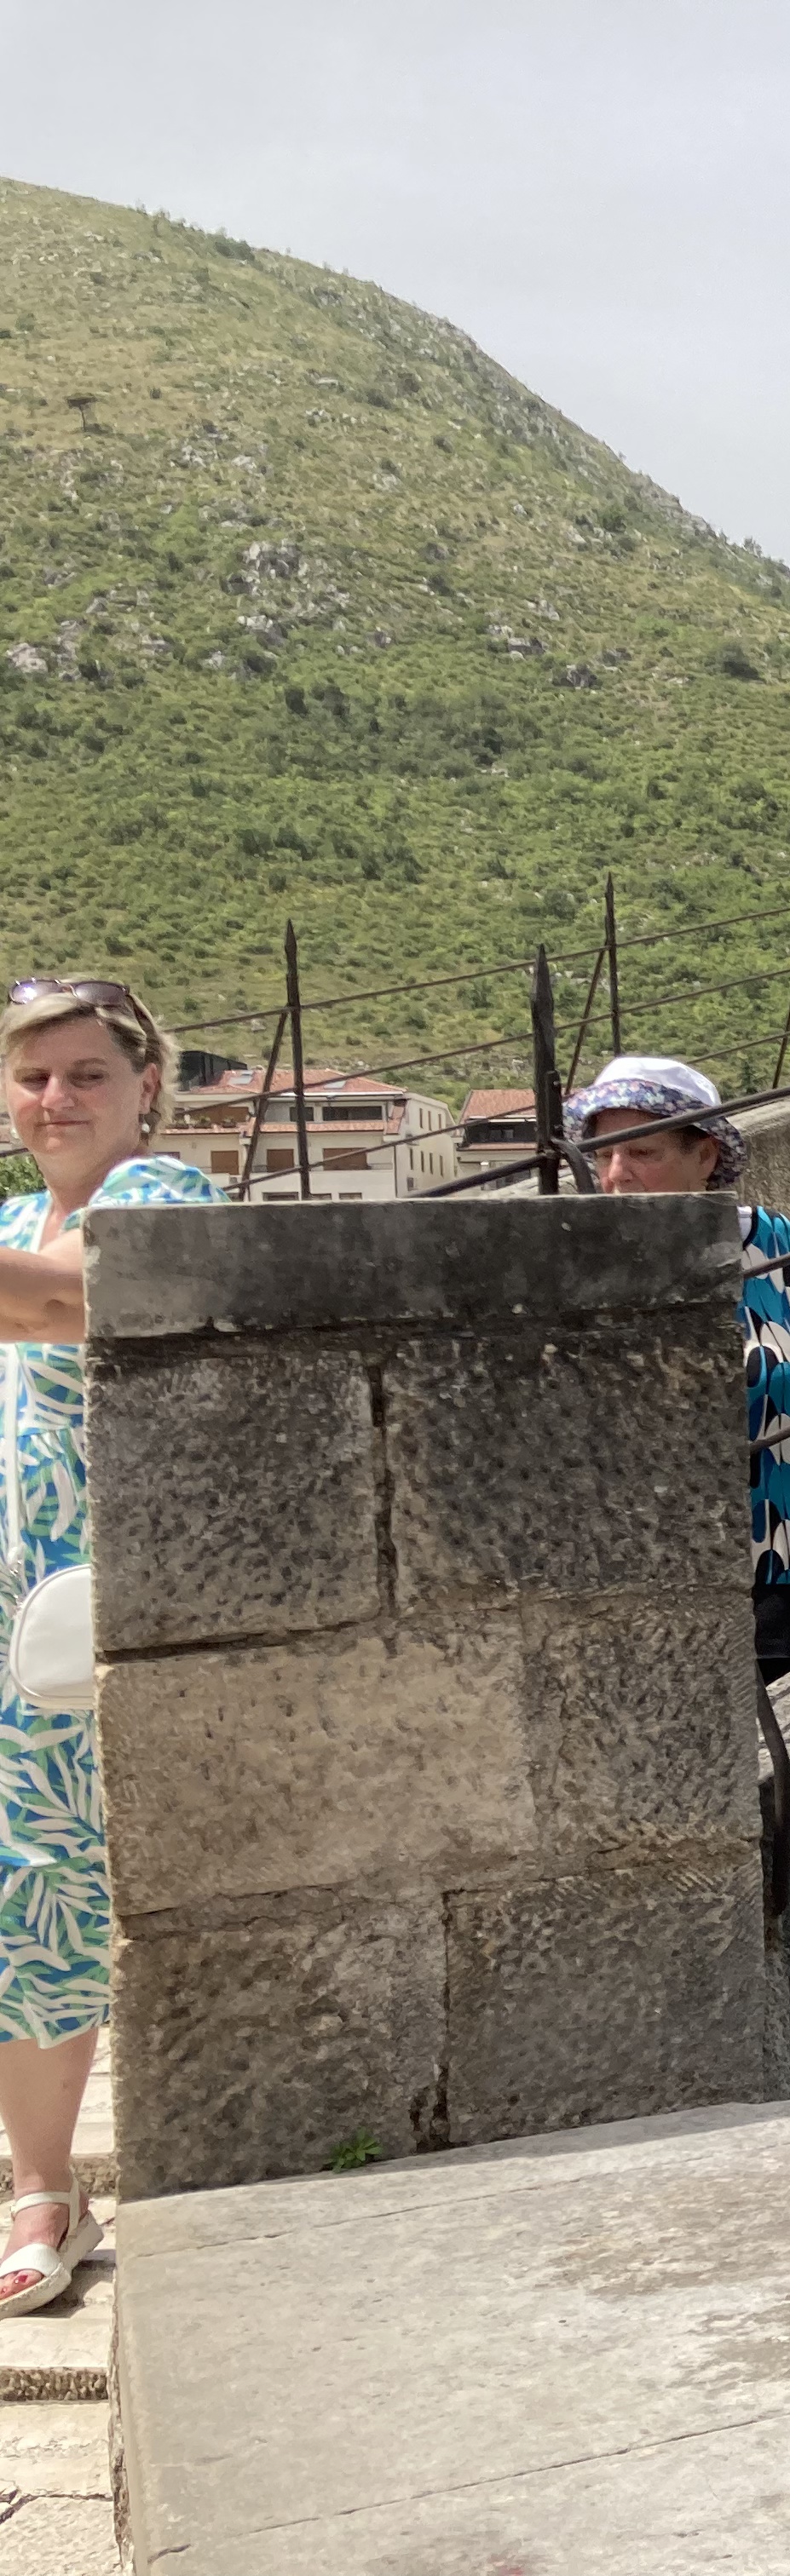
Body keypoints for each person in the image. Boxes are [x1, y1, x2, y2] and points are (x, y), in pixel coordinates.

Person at [0, 979, 215, 2320]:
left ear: (147, 1089)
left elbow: (60, 1309)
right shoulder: (9, 1221)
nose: (56, 1099)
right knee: (22, 1897)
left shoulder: (162, 1198)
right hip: (12, 1616)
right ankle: (39, 2189)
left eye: (86, 1074)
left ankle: (75, 2191)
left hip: (101, 1618)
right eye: (33, 1077)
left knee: (72, 1889)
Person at [567, 1057, 790, 1688]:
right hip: (651, 1582)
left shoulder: (769, 1241)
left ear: (705, 1155)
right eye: (603, 1154)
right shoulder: (585, 1265)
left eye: (642, 1151)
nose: (617, 1175)